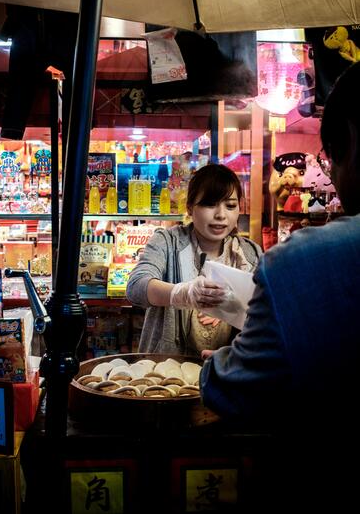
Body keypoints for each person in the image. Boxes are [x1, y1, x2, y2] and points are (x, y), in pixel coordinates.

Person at [200, 62, 360, 510]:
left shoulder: (300, 261)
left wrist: (221, 366)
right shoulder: (166, 241)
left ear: (349, 141)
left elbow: (237, 389)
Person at [126, 164, 262, 356]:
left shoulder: (250, 254)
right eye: (209, 204)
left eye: (230, 205)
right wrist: (183, 293)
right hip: (165, 372)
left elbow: (268, 314)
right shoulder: (167, 242)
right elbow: (135, 287)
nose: (221, 215)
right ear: (190, 208)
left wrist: (235, 311)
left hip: (227, 373)